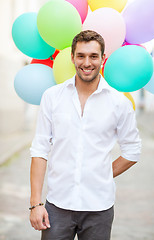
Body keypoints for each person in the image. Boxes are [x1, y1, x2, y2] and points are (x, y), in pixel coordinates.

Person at [29, 30, 141, 240]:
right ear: (72, 58)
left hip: (99, 207)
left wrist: (100, 174)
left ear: (103, 59)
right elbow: (40, 149)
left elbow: (132, 151)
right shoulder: (52, 97)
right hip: (57, 205)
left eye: (93, 56)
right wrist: (36, 203)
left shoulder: (119, 103)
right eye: (81, 56)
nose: (87, 62)